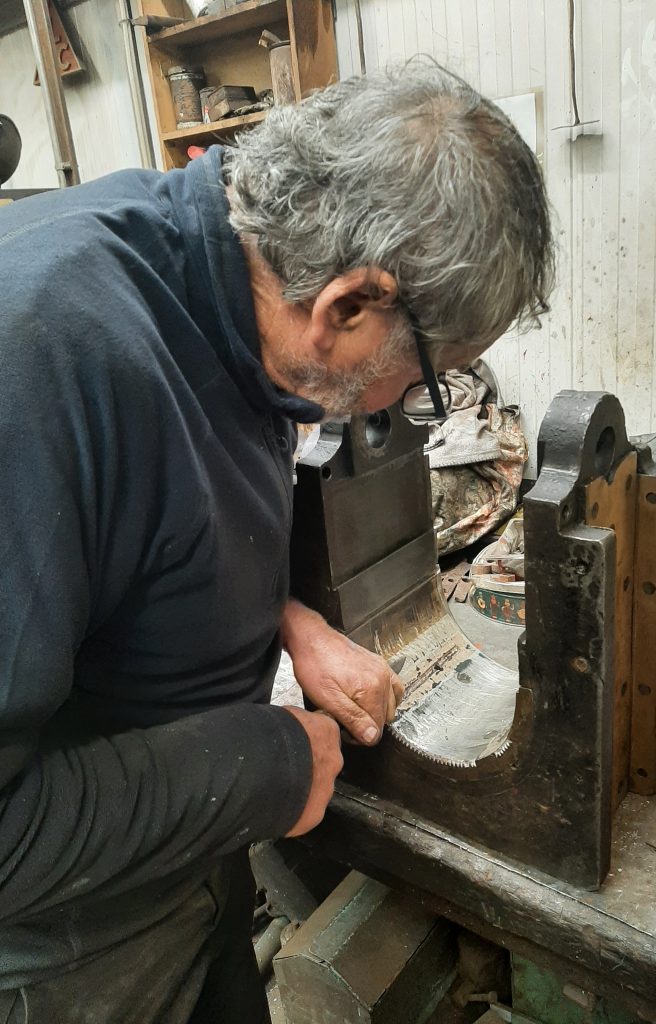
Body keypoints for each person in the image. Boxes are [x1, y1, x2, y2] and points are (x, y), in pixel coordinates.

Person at [0, 61, 552, 1022]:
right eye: (424, 379)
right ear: (346, 305)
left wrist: (281, 617)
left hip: (188, 872)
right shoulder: (45, 361)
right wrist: (266, 767)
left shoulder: (232, 281)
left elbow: (137, 527)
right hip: (68, 959)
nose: (405, 408)